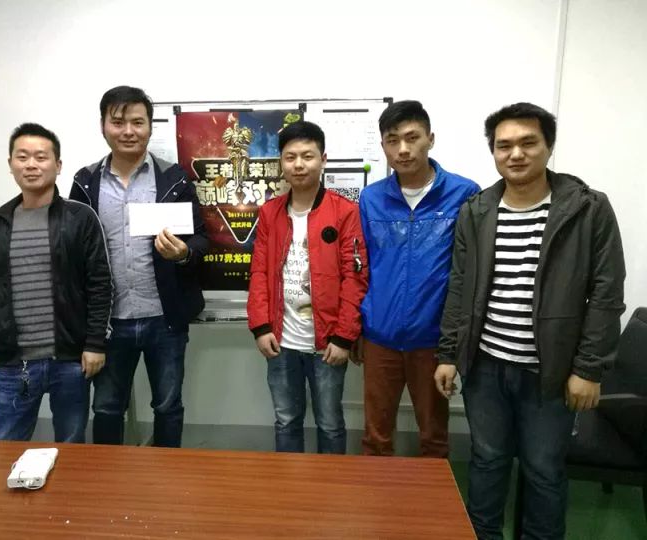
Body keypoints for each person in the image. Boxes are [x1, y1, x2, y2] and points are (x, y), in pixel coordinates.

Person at [435, 102, 626, 539]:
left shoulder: (587, 208)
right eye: (504, 146)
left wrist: (588, 369)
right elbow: (459, 287)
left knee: (543, 469)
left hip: (551, 372)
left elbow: (606, 293)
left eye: (528, 143)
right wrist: (448, 354)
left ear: (548, 147)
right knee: (486, 460)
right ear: (493, 152)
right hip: (485, 366)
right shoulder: (477, 211)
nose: (515, 154)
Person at [70, 86, 209, 447]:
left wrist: (183, 253)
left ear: (149, 126)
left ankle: (167, 475)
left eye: (137, 122)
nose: (128, 131)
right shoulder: (85, 182)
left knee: (168, 405)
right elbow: (72, 251)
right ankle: (107, 476)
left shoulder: (174, 178)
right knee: (106, 407)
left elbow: (201, 239)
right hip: (108, 322)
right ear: (103, 126)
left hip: (164, 317)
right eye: (118, 122)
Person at [356, 100, 480, 457]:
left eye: (412, 138)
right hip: (379, 335)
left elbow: (470, 270)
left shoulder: (464, 194)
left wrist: (454, 341)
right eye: (392, 140)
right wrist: (357, 327)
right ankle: (375, 492)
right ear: (383, 146)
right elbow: (360, 266)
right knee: (375, 437)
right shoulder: (371, 199)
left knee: (434, 437)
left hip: (433, 339)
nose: (403, 149)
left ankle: (434, 494)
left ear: (431, 139)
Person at [0, 123, 111, 442]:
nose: (31, 165)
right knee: (4, 446)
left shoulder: (80, 218)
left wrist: (95, 344)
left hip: (69, 359)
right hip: (14, 361)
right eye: (22, 157)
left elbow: (100, 285)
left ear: (58, 165)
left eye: (41, 157)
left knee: (70, 445)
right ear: (11, 164)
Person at [247, 120, 368, 453]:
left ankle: (331, 485)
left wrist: (344, 337)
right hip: (281, 340)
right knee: (286, 420)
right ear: (281, 163)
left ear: (323, 160)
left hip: (327, 343)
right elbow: (259, 272)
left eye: (307, 156)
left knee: (330, 422)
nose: (298, 164)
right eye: (290, 157)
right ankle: (290, 484)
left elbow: (355, 277)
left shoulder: (345, 212)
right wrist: (260, 327)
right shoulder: (270, 212)